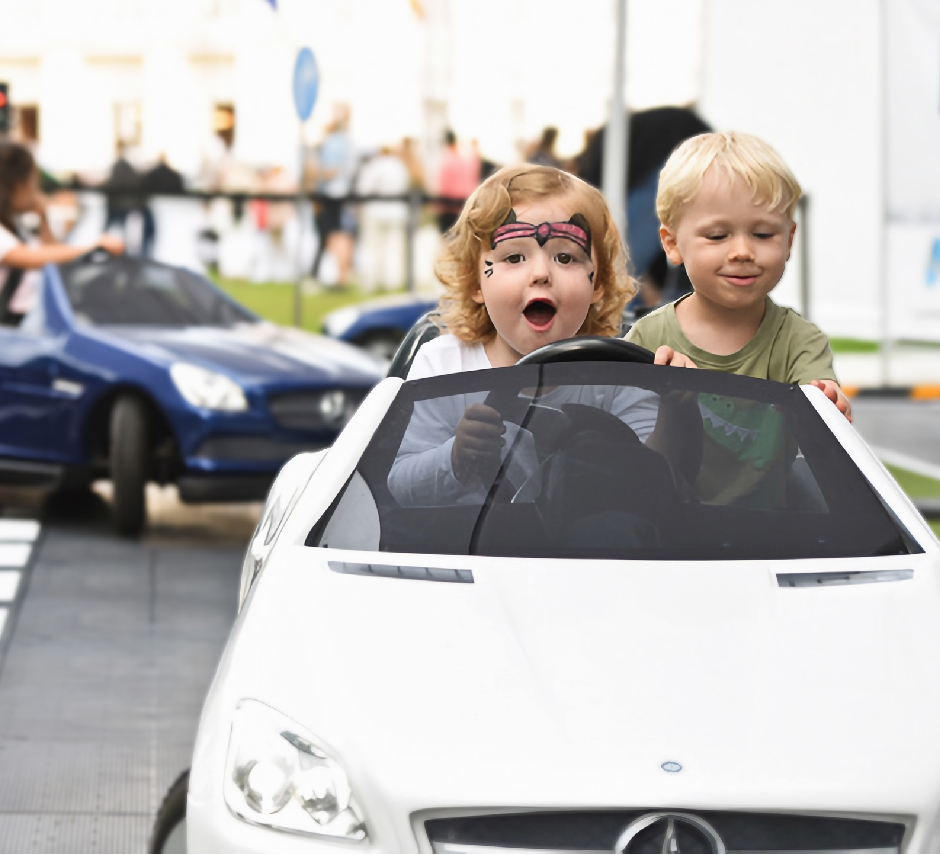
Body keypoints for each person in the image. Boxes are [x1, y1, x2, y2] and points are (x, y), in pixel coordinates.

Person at [388, 164, 695, 507]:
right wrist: (455, 457)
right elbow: (398, 487)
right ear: (476, 283)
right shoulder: (444, 365)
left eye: (565, 257)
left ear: (599, 284)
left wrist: (674, 409)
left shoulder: (619, 371)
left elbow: (656, 483)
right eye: (514, 257)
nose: (540, 274)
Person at [624, 131, 849, 507]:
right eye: (717, 235)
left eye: (762, 234)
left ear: (789, 240)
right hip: (661, 534)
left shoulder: (799, 341)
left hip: (761, 540)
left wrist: (828, 402)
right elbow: (628, 457)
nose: (742, 251)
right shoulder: (649, 337)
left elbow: (823, 415)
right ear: (672, 243)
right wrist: (672, 408)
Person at [0, 142, 123, 325]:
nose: (37, 191)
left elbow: (50, 252)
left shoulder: (17, 229)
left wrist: (43, 217)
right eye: (34, 183)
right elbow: (30, 258)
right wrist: (94, 246)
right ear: (17, 186)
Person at [310, 105, 357, 287]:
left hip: (331, 193)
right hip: (342, 192)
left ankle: (340, 277)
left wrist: (316, 174)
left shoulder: (334, 143)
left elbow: (330, 171)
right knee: (342, 234)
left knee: (335, 234)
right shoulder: (348, 142)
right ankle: (342, 275)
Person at [435, 129, 479, 234]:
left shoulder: (446, 160)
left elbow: (443, 186)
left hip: (448, 206)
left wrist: (437, 207)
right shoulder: (466, 159)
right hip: (464, 204)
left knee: (448, 240)